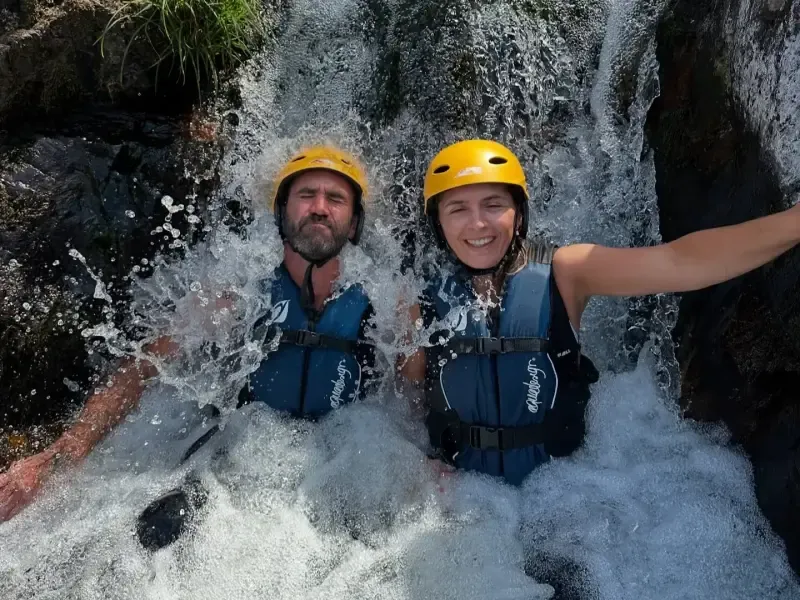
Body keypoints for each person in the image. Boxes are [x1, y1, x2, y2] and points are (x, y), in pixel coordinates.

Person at [0, 145, 379, 527]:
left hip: (336, 464)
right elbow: (144, 366)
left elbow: (411, 411)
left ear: (353, 223)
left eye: (335, 198)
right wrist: (66, 451)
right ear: (281, 212)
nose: (319, 207)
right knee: (164, 526)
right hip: (237, 464)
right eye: (306, 195)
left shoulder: (380, 306)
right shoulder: (240, 294)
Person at [401, 139, 800, 486]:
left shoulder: (567, 271)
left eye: (494, 204)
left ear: (518, 214)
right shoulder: (418, 299)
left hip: (566, 496)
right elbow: (403, 406)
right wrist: (417, 464)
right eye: (457, 209)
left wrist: (794, 222)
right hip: (468, 506)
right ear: (438, 221)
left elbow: (682, 262)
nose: (478, 223)